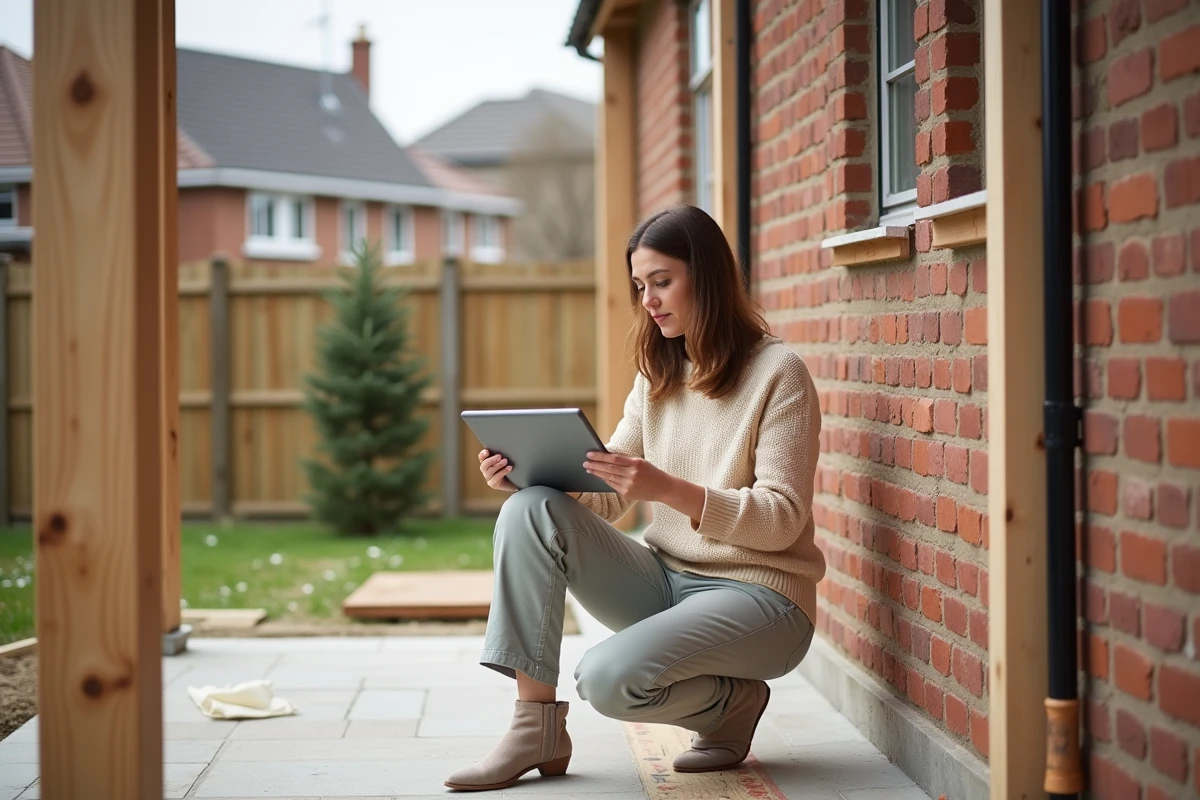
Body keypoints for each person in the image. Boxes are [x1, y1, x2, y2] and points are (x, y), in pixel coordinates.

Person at [444, 204, 825, 792]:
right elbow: (605, 494)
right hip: (667, 583)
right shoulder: (658, 376)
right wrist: (527, 476)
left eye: (662, 281)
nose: (648, 300)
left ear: (708, 277)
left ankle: (731, 705)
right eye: (640, 286)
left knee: (605, 678)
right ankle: (534, 728)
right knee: (529, 510)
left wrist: (668, 489)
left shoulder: (780, 373)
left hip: (763, 598)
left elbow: (781, 519)